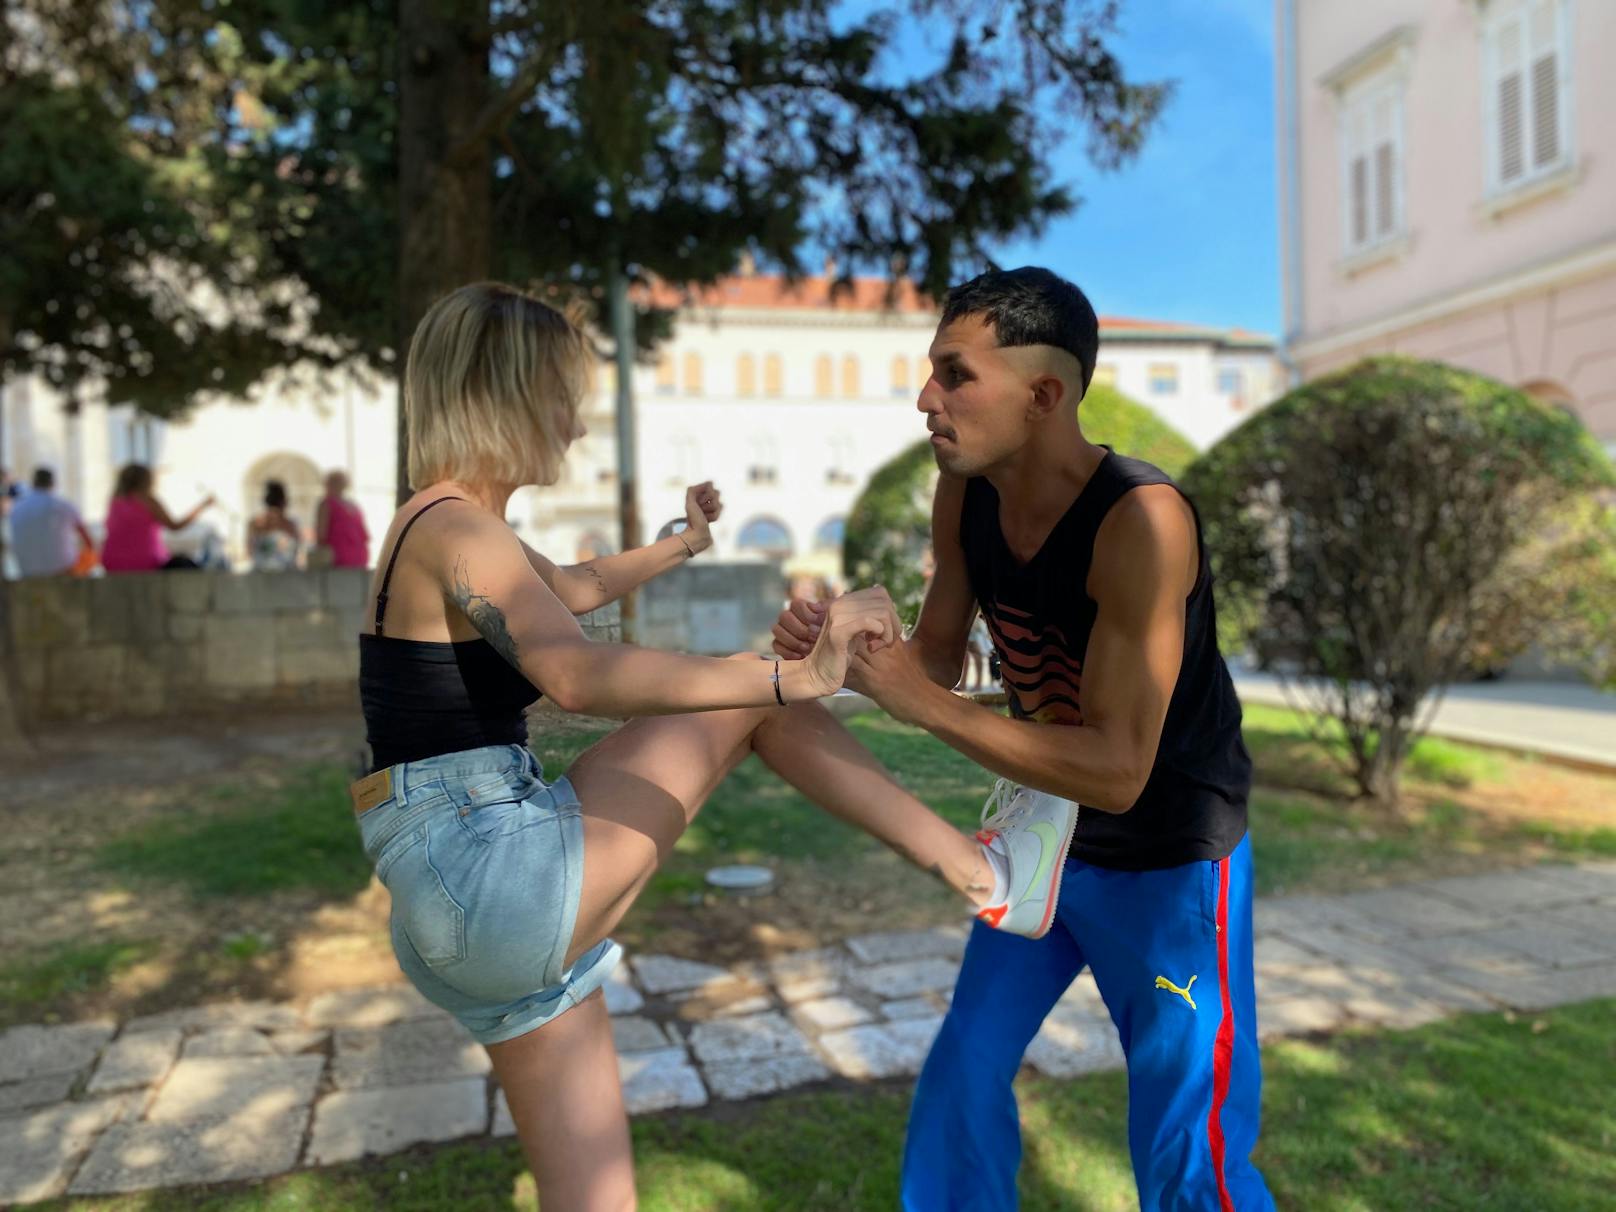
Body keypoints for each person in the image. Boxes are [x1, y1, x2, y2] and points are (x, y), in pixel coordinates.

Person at [353, 281, 1075, 1211]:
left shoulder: (443, 522)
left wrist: (681, 545)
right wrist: (797, 675)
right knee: (755, 698)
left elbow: (570, 585)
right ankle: (991, 879)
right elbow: (577, 674)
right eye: (563, 393)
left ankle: (992, 879)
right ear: (509, 392)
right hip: (488, 869)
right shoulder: (456, 526)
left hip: (449, 883)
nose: (574, 423)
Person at [773, 268, 1272, 1212]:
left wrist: (919, 705)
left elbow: (1120, 770)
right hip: (1048, 839)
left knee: (1188, 1147)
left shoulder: (1142, 522)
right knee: (963, 1071)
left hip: (1169, 861)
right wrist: (851, 652)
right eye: (932, 372)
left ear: (1044, 396)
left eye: (955, 375)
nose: (926, 399)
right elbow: (935, 664)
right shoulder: (963, 496)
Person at [101, 465, 215, 573]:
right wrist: (202, 506)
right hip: (147, 563)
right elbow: (175, 526)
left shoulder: (114, 503)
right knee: (188, 564)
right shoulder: (148, 500)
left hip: (112, 563)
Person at [9, 467, 95, 577]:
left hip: (27, 574)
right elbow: (89, 542)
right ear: (53, 483)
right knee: (90, 556)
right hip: (64, 572)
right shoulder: (64, 506)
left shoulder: (17, 508)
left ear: (33, 484)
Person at [315, 469, 369, 569]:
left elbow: (363, 533)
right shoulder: (326, 504)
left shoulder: (354, 505)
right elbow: (321, 534)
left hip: (359, 558)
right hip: (337, 559)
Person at [247, 479, 301, 572]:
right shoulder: (290, 525)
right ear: (284, 501)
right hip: (286, 576)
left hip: (260, 575)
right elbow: (296, 551)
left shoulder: (254, 523)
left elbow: (250, 551)